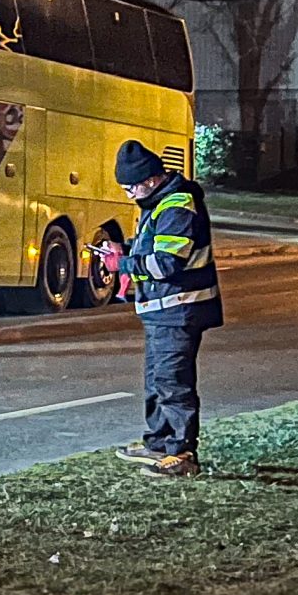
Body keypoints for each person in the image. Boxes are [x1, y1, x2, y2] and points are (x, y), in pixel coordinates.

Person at [113, 139, 222, 477]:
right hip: (164, 310)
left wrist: (125, 264)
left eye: (131, 187)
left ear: (150, 179)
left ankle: (182, 453)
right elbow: (153, 246)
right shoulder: (158, 203)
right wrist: (124, 250)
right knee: (157, 380)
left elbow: (166, 264)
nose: (129, 194)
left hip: (179, 308)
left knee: (173, 381)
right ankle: (158, 443)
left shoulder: (176, 206)